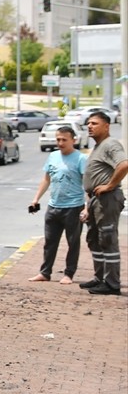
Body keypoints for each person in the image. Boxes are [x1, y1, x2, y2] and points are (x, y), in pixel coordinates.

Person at [27, 125, 86, 284]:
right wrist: (36, 198)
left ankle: (69, 273)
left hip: (73, 207)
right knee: (49, 242)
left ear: (73, 140)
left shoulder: (80, 159)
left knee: (73, 242)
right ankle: (45, 273)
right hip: (53, 207)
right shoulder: (53, 156)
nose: (60, 143)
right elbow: (46, 179)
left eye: (64, 140)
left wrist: (87, 207)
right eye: (58, 139)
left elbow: (87, 184)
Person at [79, 110, 127, 295]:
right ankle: (100, 278)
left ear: (106, 126)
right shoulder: (99, 146)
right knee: (95, 240)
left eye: (94, 123)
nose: (90, 126)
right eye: (88, 123)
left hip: (107, 199)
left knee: (107, 239)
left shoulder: (110, 144)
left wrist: (109, 185)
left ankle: (112, 284)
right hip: (95, 200)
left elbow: (124, 164)